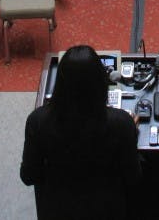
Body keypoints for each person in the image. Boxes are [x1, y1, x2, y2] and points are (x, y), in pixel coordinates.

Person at [20, 45, 141, 218]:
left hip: (56, 211)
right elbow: (133, 177)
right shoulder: (121, 123)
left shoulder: (37, 121)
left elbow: (28, 176)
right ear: (101, 82)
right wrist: (132, 133)